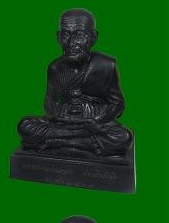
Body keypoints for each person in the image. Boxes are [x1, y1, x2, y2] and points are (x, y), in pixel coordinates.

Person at [18, 9, 132, 157]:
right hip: (65, 123)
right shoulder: (55, 68)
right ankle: (82, 144)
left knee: (123, 137)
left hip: (93, 122)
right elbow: (49, 101)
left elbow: (117, 104)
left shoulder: (105, 65)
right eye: (66, 35)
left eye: (79, 35)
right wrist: (57, 115)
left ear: (93, 37)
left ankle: (57, 143)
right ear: (58, 37)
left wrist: (98, 120)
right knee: (25, 125)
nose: (71, 43)